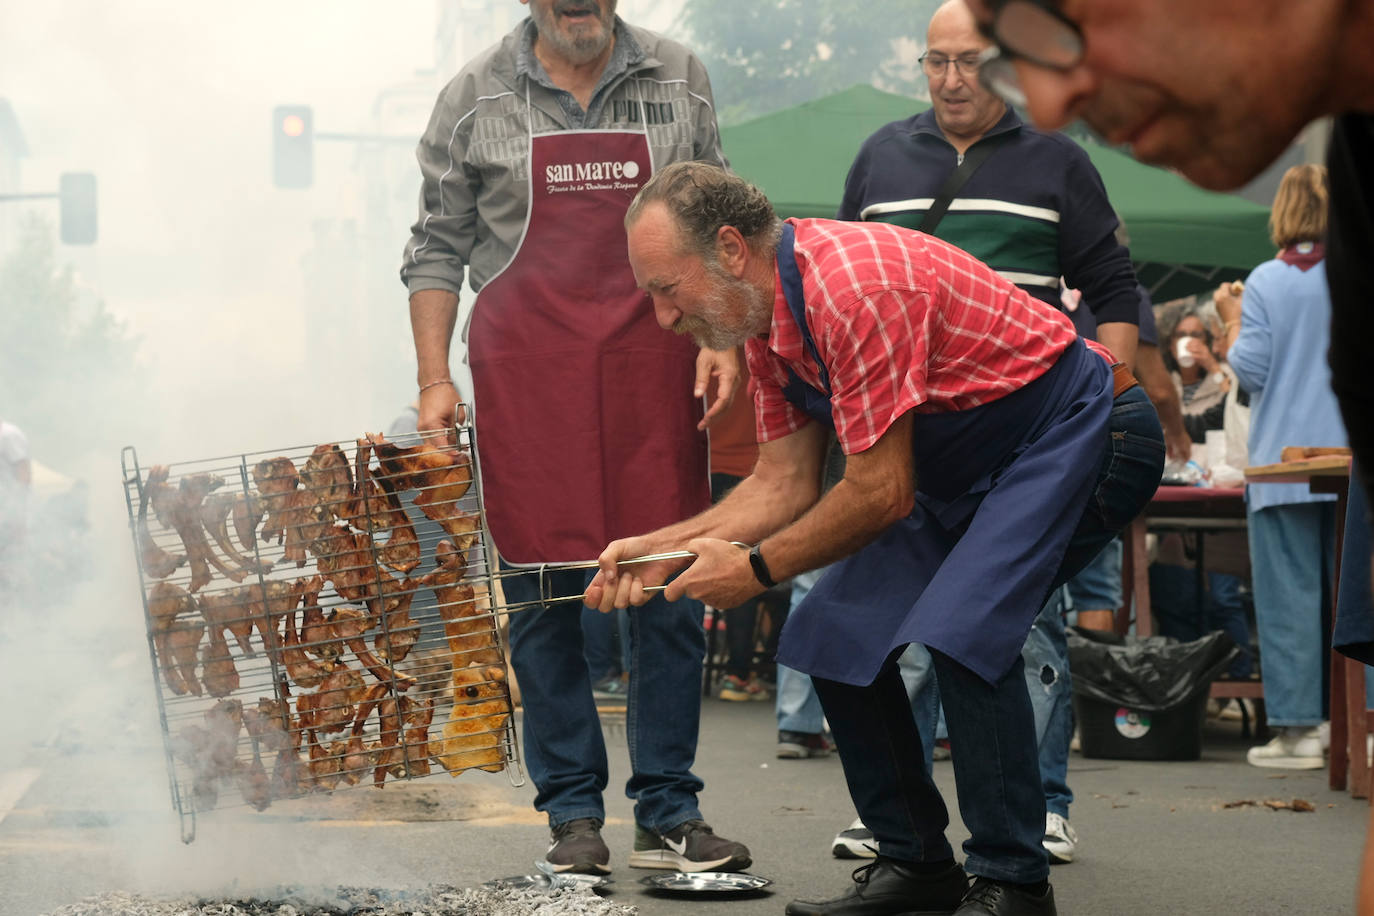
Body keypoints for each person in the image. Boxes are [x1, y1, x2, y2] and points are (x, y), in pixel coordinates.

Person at [587, 162, 1164, 916]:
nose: (664, 318)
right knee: (832, 632)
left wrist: (755, 569)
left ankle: (1013, 882)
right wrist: (662, 548)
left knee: (965, 632)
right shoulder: (766, 321)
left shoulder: (853, 287)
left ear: (730, 248)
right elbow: (782, 483)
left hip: (1082, 429)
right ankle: (917, 865)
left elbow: (883, 493)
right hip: (966, 469)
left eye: (667, 289)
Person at [398, 0, 751, 876]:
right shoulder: (472, 99)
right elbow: (437, 247)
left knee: (669, 585)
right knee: (541, 592)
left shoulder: (679, 78)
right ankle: (572, 817)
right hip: (528, 375)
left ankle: (669, 807)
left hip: (655, 364)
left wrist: (722, 338)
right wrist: (435, 380)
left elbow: (724, 229)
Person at [836, 0, 1142, 864]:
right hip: (914, 434)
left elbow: (1114, 289)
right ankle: (905, 814)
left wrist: (1108, 399)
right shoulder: (881, 155)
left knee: (1021, 623)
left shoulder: (1058, 161)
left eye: (968, 62)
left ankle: (1042, 803)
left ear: (1003, 66)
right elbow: (848, 283)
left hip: (1027, 433)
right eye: (936, 62)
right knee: (900, 629)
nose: (951, 80)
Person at [1214, 164, 1347, 769]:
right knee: (1360, 597)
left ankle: (1300, 730)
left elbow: (1255, 370)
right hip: (1354, 460)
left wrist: (1233, 322)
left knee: (1289, 599)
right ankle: (1365, 724)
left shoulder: (1267, 279)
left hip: (1283, 464)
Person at [0, 417, 31, 593]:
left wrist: (19, 512)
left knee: (14, 570)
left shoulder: (8, 436)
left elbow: (23, 471)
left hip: (10, 516)